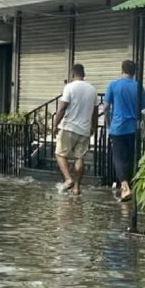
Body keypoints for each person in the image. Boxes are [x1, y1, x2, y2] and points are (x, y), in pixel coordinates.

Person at [104, 60, 145, 202]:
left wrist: (108, 124)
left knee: (118, 158)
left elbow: (106, 107)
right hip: (133, 128)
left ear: (122, 70)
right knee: (130, 157)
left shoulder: (113, 85)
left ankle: (124, 187)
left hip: (117, 128)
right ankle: (130, 185)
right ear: (134, 72)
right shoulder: (139, 87)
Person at [52, 64, 98, 196]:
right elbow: (95, 112)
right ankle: (77, 188)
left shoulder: (69, 87)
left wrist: (55, 124)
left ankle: (68, 179)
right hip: (84, 129)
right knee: (79, 158)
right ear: (84, 74)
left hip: (69, 127)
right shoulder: (92, 90)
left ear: (72, 75)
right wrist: (93, 126)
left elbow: (62, 108)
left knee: (60, 154)